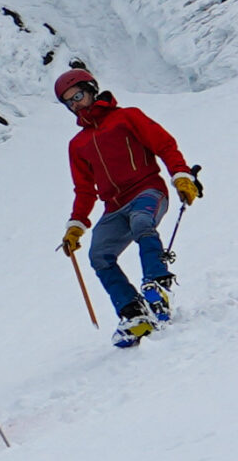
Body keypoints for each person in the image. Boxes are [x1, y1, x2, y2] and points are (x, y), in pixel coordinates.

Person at [53, 66, 204, 348]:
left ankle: (157, 283)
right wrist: (76, 226)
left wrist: (181, 175)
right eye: (68, 101)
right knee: (99, 254)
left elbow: (164, 146)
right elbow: (85, 190)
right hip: (113, 207)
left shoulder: (127, 117)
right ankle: (133, 313)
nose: (75, 104)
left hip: (148, 190)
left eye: (78, 95)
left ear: (91, 90)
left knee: (141, 222)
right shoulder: (78, 144)